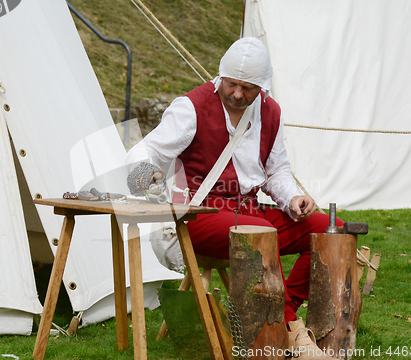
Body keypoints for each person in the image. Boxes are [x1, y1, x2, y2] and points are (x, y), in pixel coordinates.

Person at [126, 37, 342, 358]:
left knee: (328, 229)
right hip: (198, 216)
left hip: (250, 214)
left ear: (263, 87)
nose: (238, 94)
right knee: (258, 231)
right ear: (221, 77)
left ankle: (285, 312)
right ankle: (291, 333)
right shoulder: (192, 107)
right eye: (231, 84)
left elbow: (276, 171)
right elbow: (147, 150)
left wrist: (293, 198)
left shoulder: (270, 111)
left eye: (248, 88)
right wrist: (147, 176)